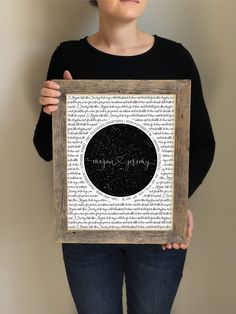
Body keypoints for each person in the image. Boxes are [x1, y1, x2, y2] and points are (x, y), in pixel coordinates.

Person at [33, 0, 215, 313]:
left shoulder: (175, 57)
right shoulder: (68, 57)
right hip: (87, 230)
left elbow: (202, 144)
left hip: (157, 231)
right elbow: (46, 149)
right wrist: (54, 113)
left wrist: (178, 202)